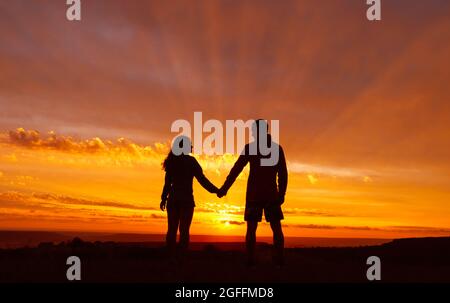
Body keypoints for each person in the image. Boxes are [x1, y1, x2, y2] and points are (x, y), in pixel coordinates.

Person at [218, 120, 288, 267]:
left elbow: (236, 170)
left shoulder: (251, 148)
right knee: (276, 227)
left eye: (253, 131)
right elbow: (283, 174)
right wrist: (281, 194)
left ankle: (251, 260)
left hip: (254, 195)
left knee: (252, 228)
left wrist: (224, 188)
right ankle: (279, 259)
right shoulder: (276, 149)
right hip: (271, 194)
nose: (251, 133)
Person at [160, 136, 218, 257]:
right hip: (186, 200)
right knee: (184, 230)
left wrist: (163, 198)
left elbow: (167, 184)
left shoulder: (172, 162)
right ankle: (182, 257)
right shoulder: (191, 162)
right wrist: (216, 190)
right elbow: (202, 180)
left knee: (171, 229)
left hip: (173, 199)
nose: (191, 147)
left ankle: (170, 257)